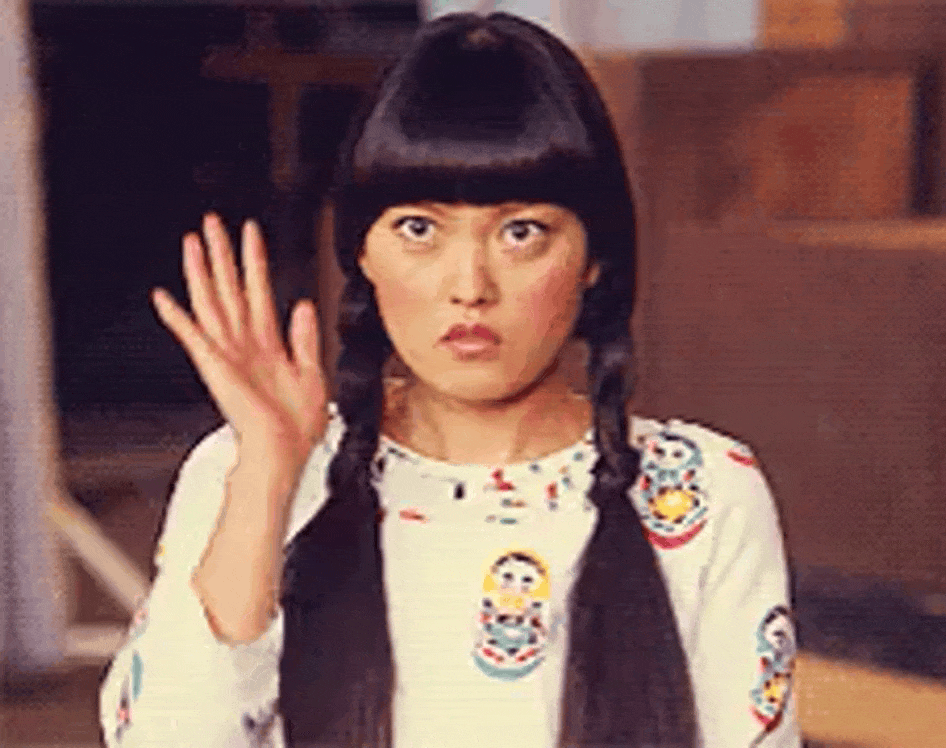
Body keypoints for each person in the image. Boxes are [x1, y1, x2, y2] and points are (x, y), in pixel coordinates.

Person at [98, 11, 799, 748]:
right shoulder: (247, 470)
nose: (469, 285)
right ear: (361, 252)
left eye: (521, 232)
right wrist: (266, 478)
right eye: (419, 229)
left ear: (594, 258)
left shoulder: (701, 492)